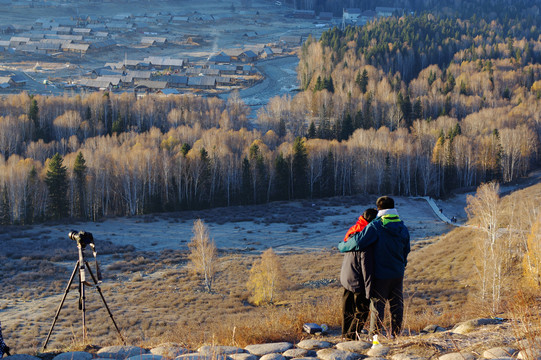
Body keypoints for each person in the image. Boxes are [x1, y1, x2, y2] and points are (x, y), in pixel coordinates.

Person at [338, 196, 410, 338]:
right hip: (397, 274)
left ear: (379, 209)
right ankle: (395, 336)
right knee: (397, 307)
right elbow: (406, 250)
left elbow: (357, 242)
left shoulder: (376, 226)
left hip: (380, 275)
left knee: (377, 309)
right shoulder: (402, 227)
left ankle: (375, 340)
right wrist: (402, 265)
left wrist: (341, 246)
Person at [339, 208, 378, 340]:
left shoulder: (353, 232)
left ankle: (345, 335)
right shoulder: (366, 237)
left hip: (346, 276)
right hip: (357, 279)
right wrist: (369, 289)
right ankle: (351, 337)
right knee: (362, 309)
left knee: (347, 308)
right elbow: (366, 267)